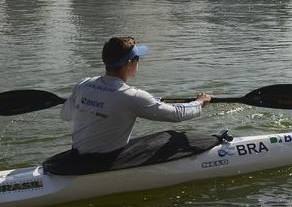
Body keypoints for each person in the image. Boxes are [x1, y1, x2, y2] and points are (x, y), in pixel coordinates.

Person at [60, 36, 212, 155]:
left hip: (78, 153)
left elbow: (65, 115)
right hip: (105, 158)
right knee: (169, 137)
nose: (139, 63)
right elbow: (177, 115)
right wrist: (199, 102)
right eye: (137, 59)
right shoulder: (131, 96)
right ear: (128, 64)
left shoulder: (83, 84)